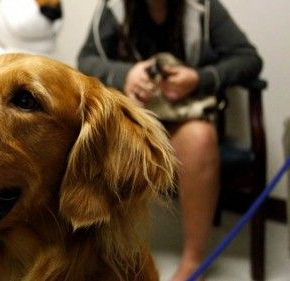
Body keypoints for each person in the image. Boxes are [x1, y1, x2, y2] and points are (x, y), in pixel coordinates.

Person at [77, 0, 262, 280]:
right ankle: (106, 254)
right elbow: (86, 60)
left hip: (184, 117)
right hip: (132, 116)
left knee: (200, 138)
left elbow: (249, 60)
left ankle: (193, 261)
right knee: (96, 140)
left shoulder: (205, 8)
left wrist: (197, 79)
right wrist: (126, 75)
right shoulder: (113, 7)